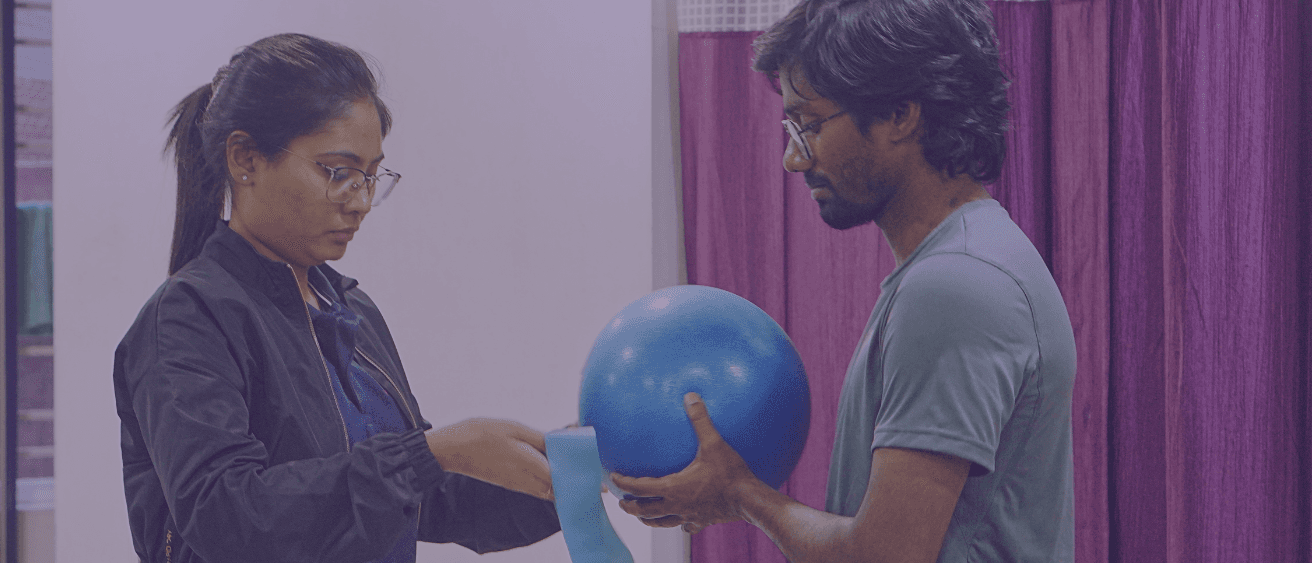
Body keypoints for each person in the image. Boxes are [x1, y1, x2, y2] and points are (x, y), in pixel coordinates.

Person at [612, 1, 1076, 562]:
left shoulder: (956, 287)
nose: (792, 158)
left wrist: (740, 494)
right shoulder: (967, 262)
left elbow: (882, 557)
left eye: (809, 124)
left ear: (901, 114)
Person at [113, 33, 560, 563]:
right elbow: (227, 516)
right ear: (246, 159)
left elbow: (425, 501)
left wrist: (574, 471)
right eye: (339, 173)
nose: (362, 202)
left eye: (372, 177)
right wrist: (429, 455)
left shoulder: (351, 309)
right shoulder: (189, 318)